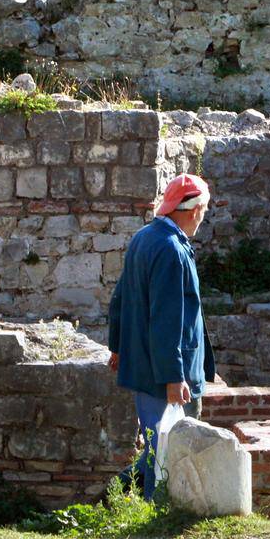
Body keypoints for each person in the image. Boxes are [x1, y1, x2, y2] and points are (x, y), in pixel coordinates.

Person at [106, 173, 216, 499]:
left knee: (158, 446)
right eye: (204, 209)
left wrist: (118, 347)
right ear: (194, 209)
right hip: (167, 375)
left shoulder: (144, 237)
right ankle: (155, 511)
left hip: (145, 366)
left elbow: (120, 299)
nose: (203, 216)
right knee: (167, 452)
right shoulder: (171, 248)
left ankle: (114, 494)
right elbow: (168, 321)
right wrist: (173, 376)